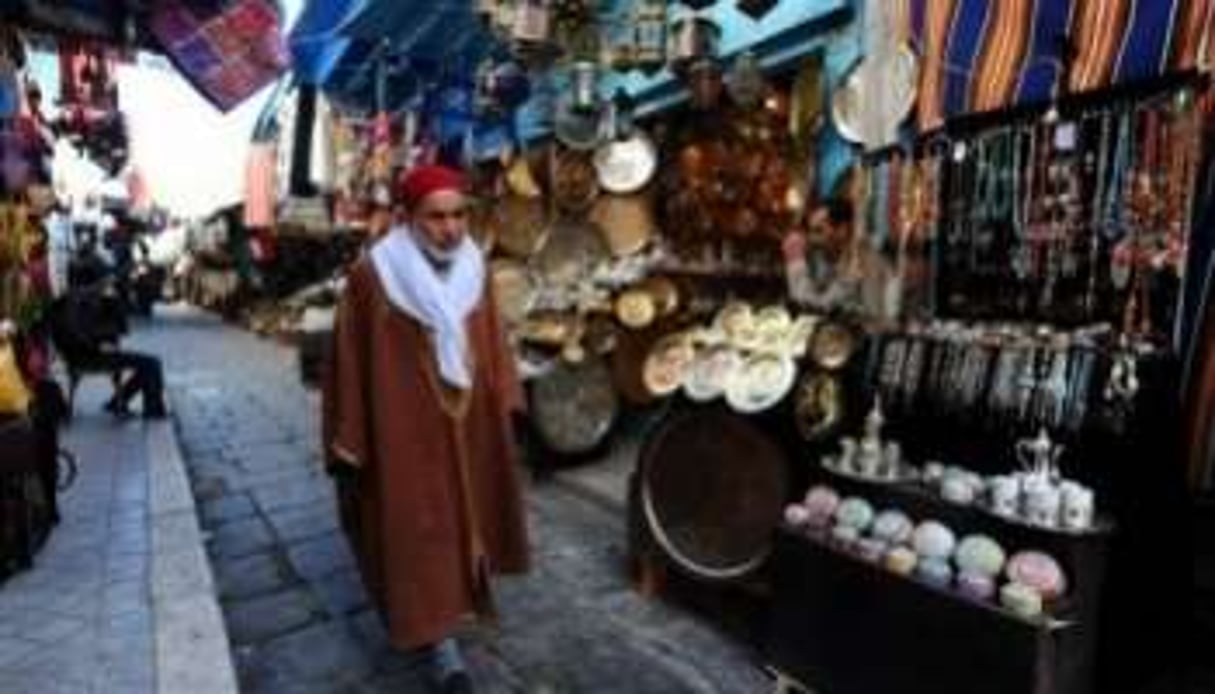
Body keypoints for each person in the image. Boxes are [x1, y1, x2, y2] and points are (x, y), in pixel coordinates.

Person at [322, 164, 529, 694]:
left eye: (460, 215)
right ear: (407, 218)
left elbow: (492, 340)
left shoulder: (474, 268)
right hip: (405, 434)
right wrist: (350, 434)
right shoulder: (375, 276)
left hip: (468, 426)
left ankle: (456, 619)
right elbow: (348, 359)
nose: (451, 229)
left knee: (468, 525)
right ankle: (440, 644)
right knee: (419, 537)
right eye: (436, 217)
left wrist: (504, 399)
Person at [48, 283, 166, 419]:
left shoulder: (70, 302)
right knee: (151, 364)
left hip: (85, 354)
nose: (101, 291)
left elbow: (120, 330)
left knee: (148, 364)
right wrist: (99, 341)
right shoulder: (79, 304)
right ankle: (152, 410)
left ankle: (119, 402)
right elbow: (82, 335)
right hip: (90, 356)